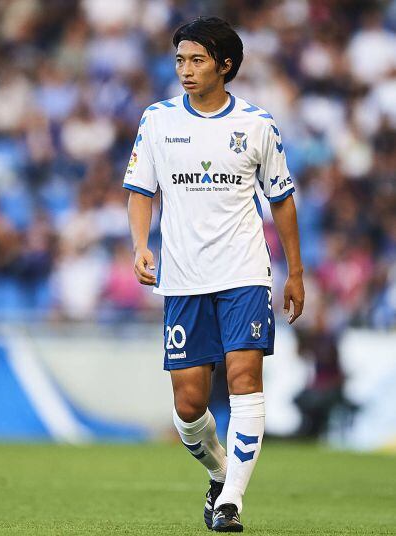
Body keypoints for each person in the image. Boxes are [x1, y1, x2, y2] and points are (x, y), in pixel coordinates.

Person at [124, 17, 305, 532]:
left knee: (246, 380)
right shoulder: (157, 120)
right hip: (182, 277)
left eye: (197, 59)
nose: (185, 69)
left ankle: (231, 504)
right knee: (188, 406)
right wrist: (140, 245)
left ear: (225, 66)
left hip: (244, 271)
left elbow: (283, 201)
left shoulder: (256, 124)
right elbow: (140, 189)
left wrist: (295, 273)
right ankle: (221, 476)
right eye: (180, 59)